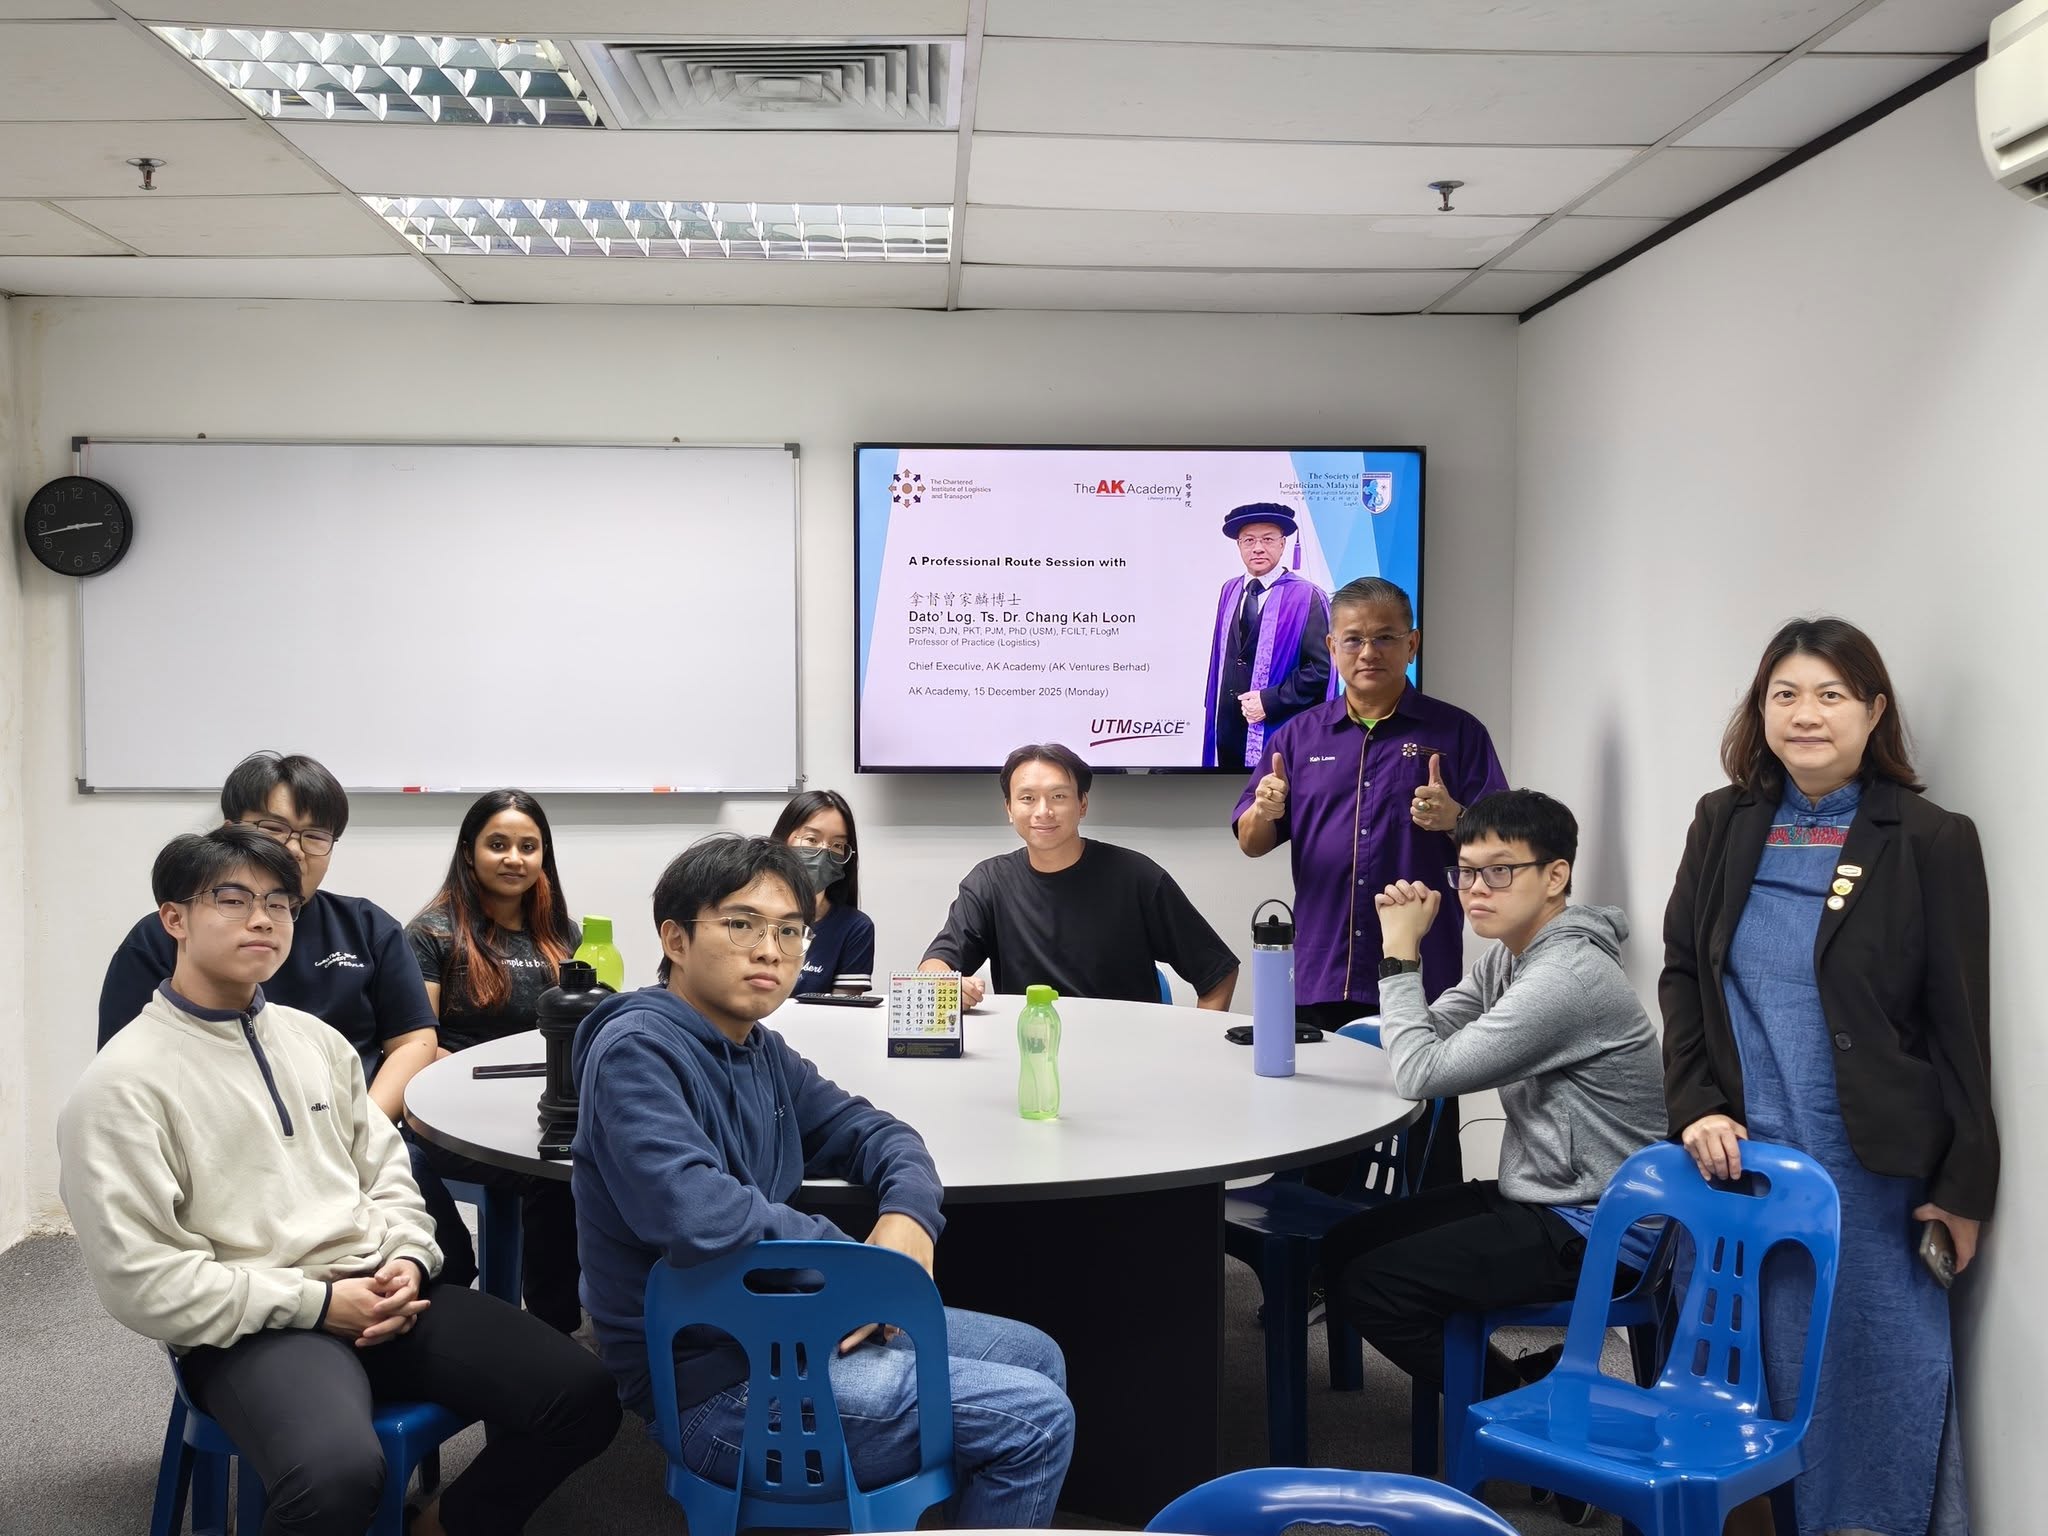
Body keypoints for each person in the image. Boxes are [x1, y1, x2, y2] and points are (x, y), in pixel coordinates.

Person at [60, 826, 619, 1536]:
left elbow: (389, 1175)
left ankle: (436, 1527)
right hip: (249, 1327)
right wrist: (318, 1304)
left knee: (584, 1395)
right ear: (174, 918)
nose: (262, 919)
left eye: (279, 903)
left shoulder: (315, 1041)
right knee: (335, 1479)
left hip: (380, 1289)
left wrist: (409, 1258)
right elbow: (141, 1281)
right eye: (232, 899)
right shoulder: (121, 1084)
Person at [571, 834, 1075, 1525]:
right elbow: (699, 1215)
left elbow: (879, 1134)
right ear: (676, 940)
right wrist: (863, 1273)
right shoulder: (636, 1050)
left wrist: (909, 1218)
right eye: (742, 925)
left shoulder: (759, 1049)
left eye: (789, 930)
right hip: (714, 1382)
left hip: (787, 1324)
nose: (770, 950)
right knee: (1034, 1420)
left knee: (1036, 1355)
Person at [1661, 618, 1995, 1536]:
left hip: (1868, 1171)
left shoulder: (1929, 838)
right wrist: (1695, 1106)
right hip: (1736, 1161)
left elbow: (1961, 1025)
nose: (1805, 715)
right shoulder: (1722, 821)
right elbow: (1684, 973)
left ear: (1874, 710)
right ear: (1761, 709)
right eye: (1786, 695)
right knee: (1736, 1381)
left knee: (1872, 1374)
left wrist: (1965, 1187)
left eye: (1831, 695)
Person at [1321, 790, 1666, 1399]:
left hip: (1601, 1225)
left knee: (1374, 1285)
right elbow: (1428, 1031)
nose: (1476, 889)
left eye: (1500, 871)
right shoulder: (1511, 957)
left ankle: (1522, 1408)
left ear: (1555, 876)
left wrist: (1400, 954)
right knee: (1344, 1244)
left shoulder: (1566, 978)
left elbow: (1420, 1073)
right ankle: (1523, 1389)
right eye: (1466, 871)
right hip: (1543, 1194)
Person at [95, 751, 471, 1283]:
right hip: (228, 1149)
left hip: (355, 1127)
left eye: (314, 836)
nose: (292, 849)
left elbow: (414, 1041)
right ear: (230, 831)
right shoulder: (168, 937)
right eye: (272, 828)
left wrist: (354, 1126)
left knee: (436, 1254)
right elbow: (129, 1067)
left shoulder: (366, 927)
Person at [1233, 577, 1505, 1185]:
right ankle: (1321, 1247)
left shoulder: (1457, 733)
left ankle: (1425, 1241)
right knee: (1316, 1144)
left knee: (1424, 1146)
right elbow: (1252, 842)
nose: (1368, 652)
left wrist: (1456, 819)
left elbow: (1501, 856)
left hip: (1422, 974)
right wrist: (1266, 811)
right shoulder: (1297, 736)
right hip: (1323, 968)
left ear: (1412, 644)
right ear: (1331, 647)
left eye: (1385, 638)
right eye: (1353, 639)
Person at [407, 789, 584, 1333]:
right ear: (469, 851)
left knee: (593, 1158)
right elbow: (419, 1044)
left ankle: (603, 1312)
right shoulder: (432, 933)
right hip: (453, 1121)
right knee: (553, 1176)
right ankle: (552, 1330)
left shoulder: (563, 933)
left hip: (543, 1107)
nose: (514, 859)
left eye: (529, 847)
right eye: (498, 844)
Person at [920, 742, 1239, 1009]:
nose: (1043, 811)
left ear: (1082, 804)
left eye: (1058, 796)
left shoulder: (1137, 877)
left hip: (1126, 1054)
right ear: (1009, 808)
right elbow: (936, 964)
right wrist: (945, 987)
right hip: (1032, 1050)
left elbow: (1217, 972)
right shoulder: (990, 882)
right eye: (1027, 798)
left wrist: (1198, 1046)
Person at [1202, 503, 1334, 771]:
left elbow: (1321, 670)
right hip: (1228, 730)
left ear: (1283, 544)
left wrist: (1270, 701)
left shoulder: (1306, 596)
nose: (1258, 548)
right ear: (1239, 545)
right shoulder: (1230, 590)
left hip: (1278, 728)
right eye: (1249, 540)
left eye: (1268, 539)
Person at [770, 788, 875, 996]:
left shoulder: (854, 927)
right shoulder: (750, 914)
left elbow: (842, 1008)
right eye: (811, 839)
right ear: (784, 840)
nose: (824, 851)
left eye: (837, 845)